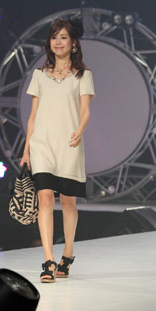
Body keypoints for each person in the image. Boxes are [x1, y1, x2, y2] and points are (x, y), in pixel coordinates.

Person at [20, 18, 94, 283]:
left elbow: (85, 111)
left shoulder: (83, 75)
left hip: (69, 144)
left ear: (73, 43)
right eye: (54, 37)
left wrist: (80, 129)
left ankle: (68, 253)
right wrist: (26, 150)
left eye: (63, 37)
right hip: (42, 144)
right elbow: (33, 116)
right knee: (45, 200)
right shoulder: (39, 75)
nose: (58, 42)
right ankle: (48, 260)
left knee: (68, 201)